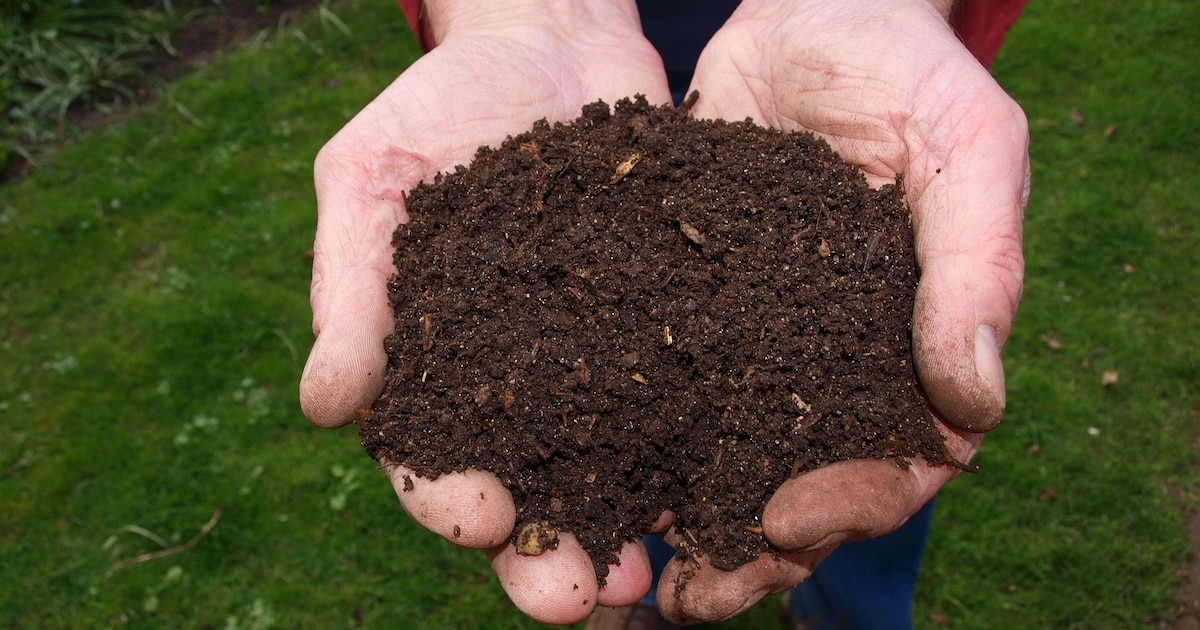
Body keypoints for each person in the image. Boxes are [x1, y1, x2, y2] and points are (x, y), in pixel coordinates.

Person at [300, 0, 1029, 627]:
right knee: (639, 479)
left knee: (862, 487)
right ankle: (645, 580)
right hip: (584, 35)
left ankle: (846, 612)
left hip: (812, 46)